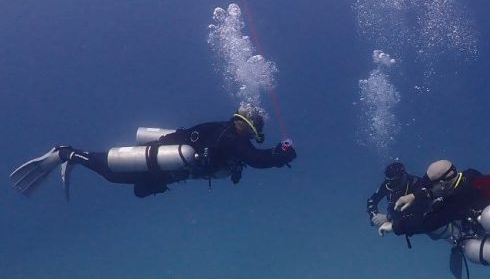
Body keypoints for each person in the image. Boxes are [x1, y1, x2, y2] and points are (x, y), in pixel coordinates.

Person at [9, 104, 297, 199]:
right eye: (256, 129)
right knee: (111, 173)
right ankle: (66, 153)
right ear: (247, 125)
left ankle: (74, 156)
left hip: (167, 165)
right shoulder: (232, 139)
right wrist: (282, 155)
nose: (256, 134)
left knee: (137, 190)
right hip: (163, 163)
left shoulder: (223, 129)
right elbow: (257, 160)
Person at [366, 161, 422, 227]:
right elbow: (371, 201)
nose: (392, 186)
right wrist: (374, 216)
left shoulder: (416, 183)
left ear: (404, 176)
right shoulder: (388, 184)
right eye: (389, 181)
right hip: (398, 223)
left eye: (395, 182)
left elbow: (419, 209)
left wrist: (388, 217)